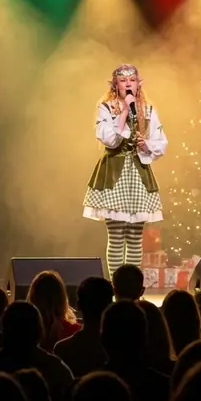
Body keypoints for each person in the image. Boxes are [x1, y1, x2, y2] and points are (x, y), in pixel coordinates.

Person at [83, 64, 168, 272]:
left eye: (132, 80)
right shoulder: (106, 107)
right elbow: (109, 140)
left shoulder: (147, 109)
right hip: (114, 173)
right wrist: (124, 113)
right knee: (116, 234)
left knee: (135, 236)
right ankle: (116, 284)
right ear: (116, 85)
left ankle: (131, 284)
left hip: (138, 174)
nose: (128, 84)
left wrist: (146, 145)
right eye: (123, 81)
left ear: (138, 84)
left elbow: (161, 141)